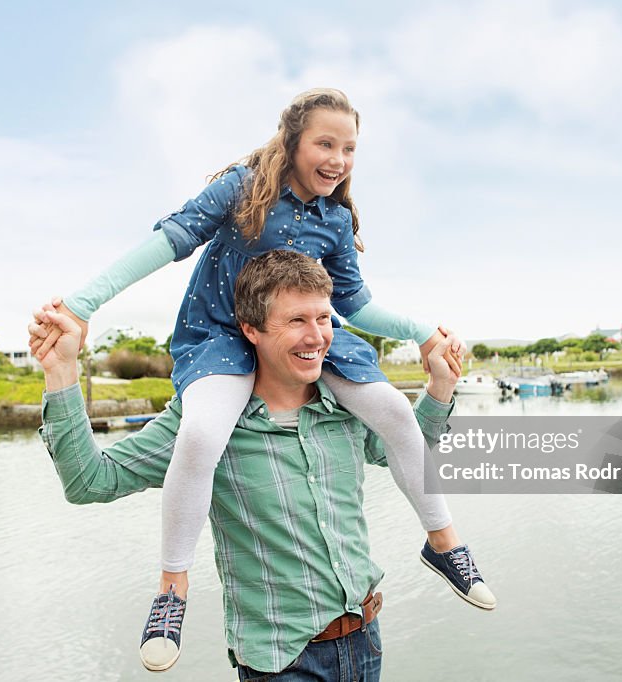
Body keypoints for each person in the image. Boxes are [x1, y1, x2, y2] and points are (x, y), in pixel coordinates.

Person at [30, 88, 493, 671]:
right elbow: (166, 242)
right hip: (221, 336)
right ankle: (172, 590)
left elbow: (356, 308)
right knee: (201, 437)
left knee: (398, 414)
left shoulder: (334, 222)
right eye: (326, 143)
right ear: (292, 141)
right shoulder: (245, 189)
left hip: (362, 645)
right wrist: (81, 306)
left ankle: (444, 544)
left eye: (350, 148)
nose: (339, 158)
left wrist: (427, 343)